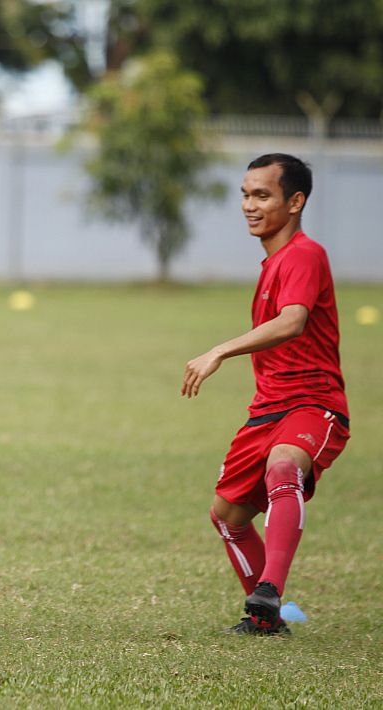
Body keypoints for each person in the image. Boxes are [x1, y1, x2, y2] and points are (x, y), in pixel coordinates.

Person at [182, 153, 350, 635]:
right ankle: (264, 617)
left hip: (312, 403)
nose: (249, 205)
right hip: (266, 409)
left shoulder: (304, 253)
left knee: (283, 466)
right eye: (245, 194)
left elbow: (293, 321)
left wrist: (220, 350)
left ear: (295, 201)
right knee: (228, 516)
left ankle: (270, 589)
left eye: (262, 195)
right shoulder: (274, 261)